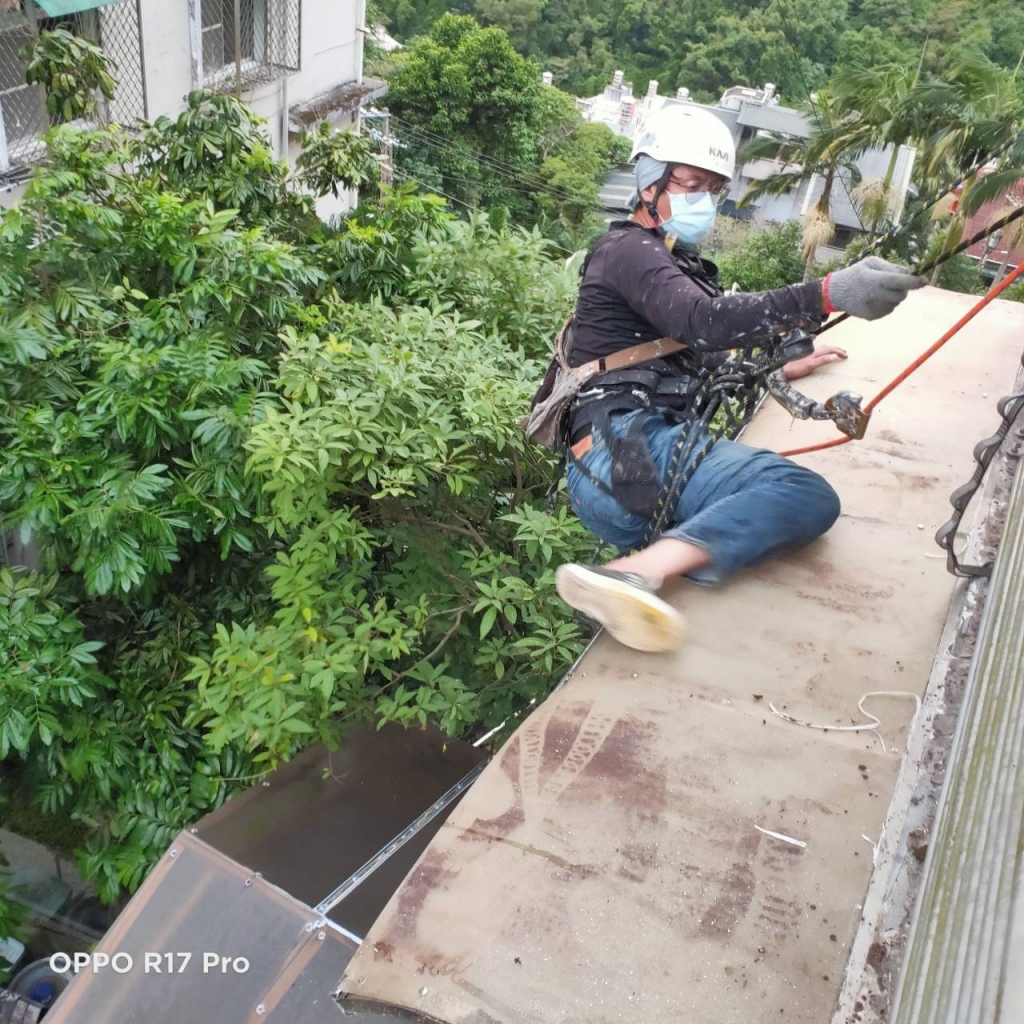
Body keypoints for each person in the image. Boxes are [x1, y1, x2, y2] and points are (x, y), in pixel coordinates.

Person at [553, 105, 926, 653]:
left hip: (612, 467)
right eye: (689, 183)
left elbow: (689, 359)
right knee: (800, 492)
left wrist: (779, 364)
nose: (701, 198)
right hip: (622, 452)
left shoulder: (673, 265)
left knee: (736, 509)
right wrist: (823, 294)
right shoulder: (625, 250)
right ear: (648, 180)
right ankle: (633, 572)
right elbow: (705, 325)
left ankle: (634, 570)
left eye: (711, 187)